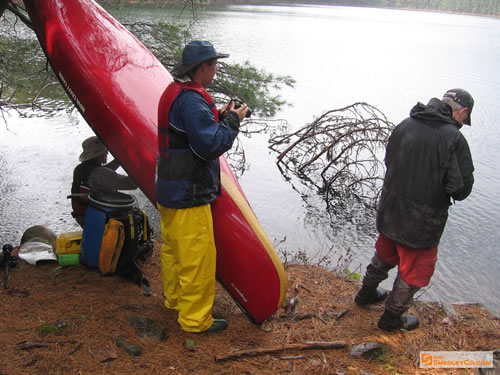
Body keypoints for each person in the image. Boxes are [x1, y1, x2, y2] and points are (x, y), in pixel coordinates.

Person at [354, 88, 475, 332]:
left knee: (383, 256)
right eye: (465, 118)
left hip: (390, 210)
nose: (462, 123)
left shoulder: (406, 124)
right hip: (422, 222)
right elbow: (460, 190)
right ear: (462, 111)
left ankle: (365, 295)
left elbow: (389, 162)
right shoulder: (454, 138)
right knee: (414, 272)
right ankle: (390, 321)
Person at [155, 40, 248, 333]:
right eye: (214, 64)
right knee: (197, 258)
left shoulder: (174, 92)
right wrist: (233, 120)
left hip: (169, 187)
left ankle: (175, 301)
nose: (216, 69)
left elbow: (189, 132)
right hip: (188, 193)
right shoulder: (192, 101)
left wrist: (216, 116)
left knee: (173, 251)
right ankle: (195, 320)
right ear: (202, 68)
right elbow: (210, 147)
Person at [70, 136, 137, 227]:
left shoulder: (80, 169)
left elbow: (103, 173)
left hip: (83, 216)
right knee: (135, 214)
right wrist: (137, 166)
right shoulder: (101, 174)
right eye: (105, 150)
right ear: (98, 155)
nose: (107, 152)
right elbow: (132, 184)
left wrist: (119, 160)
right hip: (98, 220)